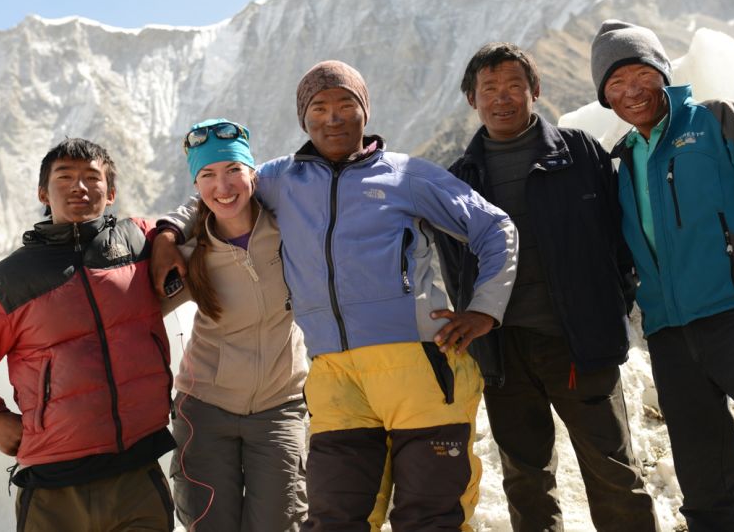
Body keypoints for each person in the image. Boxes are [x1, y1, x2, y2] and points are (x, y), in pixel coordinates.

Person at [154, 60, 518, 531]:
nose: (333, 117)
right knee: (335, 519)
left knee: (431, 517)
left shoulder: (406, 175)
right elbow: (222, 186)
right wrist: (166, 233)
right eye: (319, 107)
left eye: (346, 105)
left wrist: (485, 310)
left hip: (420, 367)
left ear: (365, 111)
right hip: (334, 378)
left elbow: (494, 227)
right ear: (303, 119)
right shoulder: (282, 179)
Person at [591, 19, 734, 531]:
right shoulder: (620, 161)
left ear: (663, 73)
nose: (631, 91)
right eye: (615, 84)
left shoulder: (719, 121)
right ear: (605, 97)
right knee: (707, 484)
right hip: (670, 337)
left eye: (640, 74)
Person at [435, 42, 659, 531]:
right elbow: (454, 269)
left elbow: (618, 242)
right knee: (526, 481)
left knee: (613, 470)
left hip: (579, 344)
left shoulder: (580, 154)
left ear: (535, 91)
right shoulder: (459, 180)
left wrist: (607, 310)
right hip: (503, 353)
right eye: (489, 88)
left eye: (514, 85)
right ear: (472, 99)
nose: (502, 98)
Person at [0, 138, 176, 532]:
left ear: (111, 193)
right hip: (55, 489)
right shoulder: (11, 281)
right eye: (65, 177)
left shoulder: (137, 243)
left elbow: (181, 221)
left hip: (138, 473)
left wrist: (168, 237)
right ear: (43, 192)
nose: (80, 187)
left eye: (92, 177)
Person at [164, 118, 310, 531]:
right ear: (196, 185)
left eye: (232, 170)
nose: (222, 187)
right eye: (207, 175)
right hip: (203, 410)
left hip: (280, 407)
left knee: (279, 525)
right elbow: (132, 312)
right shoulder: (189, 254)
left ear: (252, 174)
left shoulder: (291, 233)